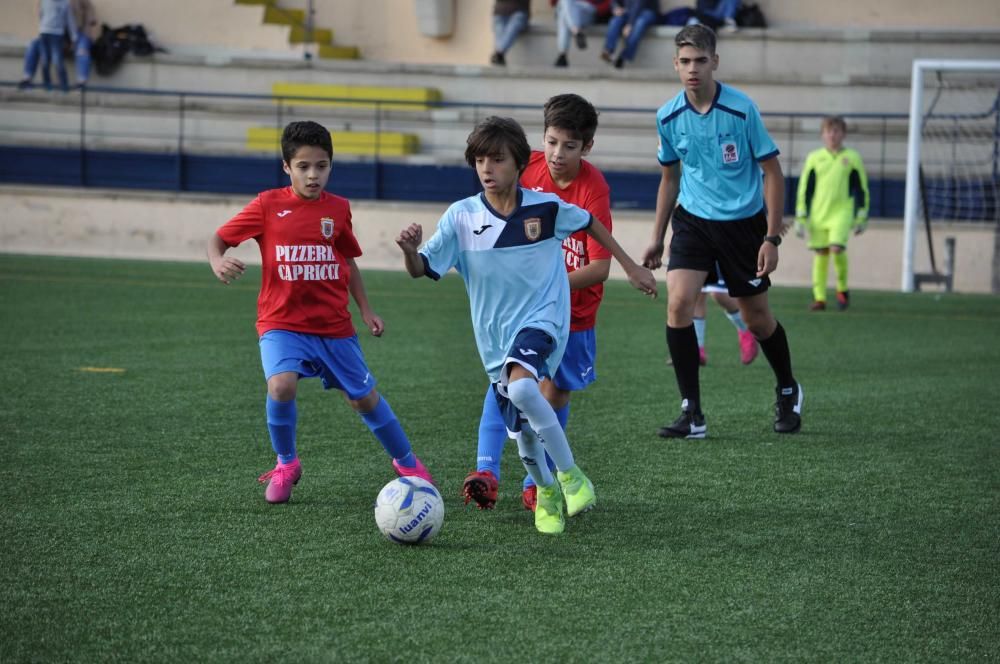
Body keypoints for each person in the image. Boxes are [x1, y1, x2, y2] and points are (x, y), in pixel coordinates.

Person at [396, 116, 657, 534]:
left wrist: (630, 267)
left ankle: (571, 476)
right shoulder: (461, 217)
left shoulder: (545, 208)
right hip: (494, 338)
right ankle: (546, 491)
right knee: (522, 428)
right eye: (480, 160)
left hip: (544, 319)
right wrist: (410, 251)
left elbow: (590, 222)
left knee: (521, 389)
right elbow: (420, 268)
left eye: (497, 159)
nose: (486, 168)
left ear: (519, 163)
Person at [207, 120, 434, 504]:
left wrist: (366, 310)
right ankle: (286, 464)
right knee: (281, 385)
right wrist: (217, 260)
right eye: (304, 167)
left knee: (363, 398)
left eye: (322, 166)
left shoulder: (339, 209)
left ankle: (408, 462)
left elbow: (347, 261)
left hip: (334, 327)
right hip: (281, 323)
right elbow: (219, 239)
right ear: (286, 167)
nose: (314, 175)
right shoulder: (267, 205)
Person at [641, 24, 803, 439]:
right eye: (684, 62)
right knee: (678, 305)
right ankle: (691, 412)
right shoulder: (667, 116)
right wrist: (658, 236)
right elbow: (669, 179)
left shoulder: (741, 109)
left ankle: (787, 387)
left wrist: (771, 237)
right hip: (693, 222)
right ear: (675, 65)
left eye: (700, 60)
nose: (692, 69)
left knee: (757, 318)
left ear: (715, 61)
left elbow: (773, 173)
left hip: (743, 227)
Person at [460, 94, 614, 513]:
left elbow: (600, 268)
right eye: (551, 142)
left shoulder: (593, 191)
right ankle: (486, 471)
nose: (557, 154)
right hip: (521, 309)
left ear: (588, 147)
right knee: (508, 382)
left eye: (569, 146)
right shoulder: (522, 165)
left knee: (553, 395)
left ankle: (536, 481)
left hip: (574, 315)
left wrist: (546, 284)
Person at [795, 115, 870, 311]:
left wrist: (862, 215)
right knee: (821, 253)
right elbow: (805, 188)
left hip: (842, 212)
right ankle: (819, 298)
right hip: (819, 214)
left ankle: (842, 289)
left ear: (843, 134)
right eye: (829, 131)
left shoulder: (852, 158)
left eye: (836, 131)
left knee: (836, 248)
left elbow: (861, 189)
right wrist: (801, 216)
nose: (832, 135)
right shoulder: (814, 158)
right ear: (823, 135)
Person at [690, 266, 758, 366]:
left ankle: (746, 329)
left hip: (720, 252)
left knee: (719, 293)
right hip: (695, 252)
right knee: (697, 294)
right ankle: (697, 349)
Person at [18, 0, 77, 92]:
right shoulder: (44, 1)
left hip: (57, 35)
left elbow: (69, 20)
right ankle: (47, 86)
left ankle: (64, 86)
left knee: (57, 61)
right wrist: (41, 28)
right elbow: (41, 15)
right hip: (44, 33)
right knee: (45, 61)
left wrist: (74, 37)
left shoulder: (65, 3)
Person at [601, 0, 660, 69]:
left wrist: (630, 24)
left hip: (647, 11)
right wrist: (616, 8)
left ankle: (624, 57)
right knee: (615, 21)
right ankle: (608, 51)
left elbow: (639, 4)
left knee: (639, 24)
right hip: (629, 10)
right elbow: (614, 1)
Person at [553, 0, 612, 67]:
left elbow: (610, 2)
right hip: (570, 9)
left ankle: (562, 55)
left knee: (563, 15)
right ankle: (576, 31)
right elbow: (553, 2)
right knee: (565, 6)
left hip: (589, 10)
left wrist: (598, 10)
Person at [490, 0, 530, 66]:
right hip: (500, 12)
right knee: (502, 26)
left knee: (515, 23)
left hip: (517, 11)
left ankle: (499, 53)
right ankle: (499, 53)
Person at [69, 0, 98, 88]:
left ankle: (81, 80)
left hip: (82, 34)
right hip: (64, 35)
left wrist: (91, 21)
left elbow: (90, 10)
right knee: (34, 45)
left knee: (82, 51)